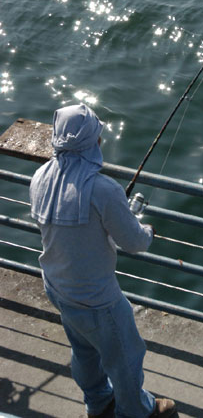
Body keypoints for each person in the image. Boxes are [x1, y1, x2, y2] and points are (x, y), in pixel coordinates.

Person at [29, 104, 177, 418]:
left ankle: (97, 403)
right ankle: (135, 411)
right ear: (91, 143)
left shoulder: (40, 177)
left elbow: (76, 232)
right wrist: (146, 229)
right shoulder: (104, 189)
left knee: (84, 351)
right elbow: (135, 242)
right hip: (95, 298)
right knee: (126, 356)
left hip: (57, 286)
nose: (100, 142)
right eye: (98, 137)